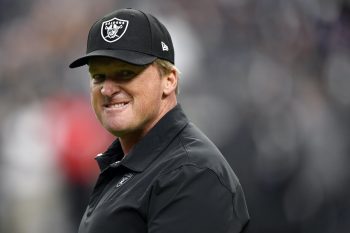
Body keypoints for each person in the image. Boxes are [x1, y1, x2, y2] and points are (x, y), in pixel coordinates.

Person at [69, 8, 250, 233]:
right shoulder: (134, 163)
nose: (107, 89)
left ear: (169, 80)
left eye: (125, 73)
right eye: (98, 76)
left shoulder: (189, 173)